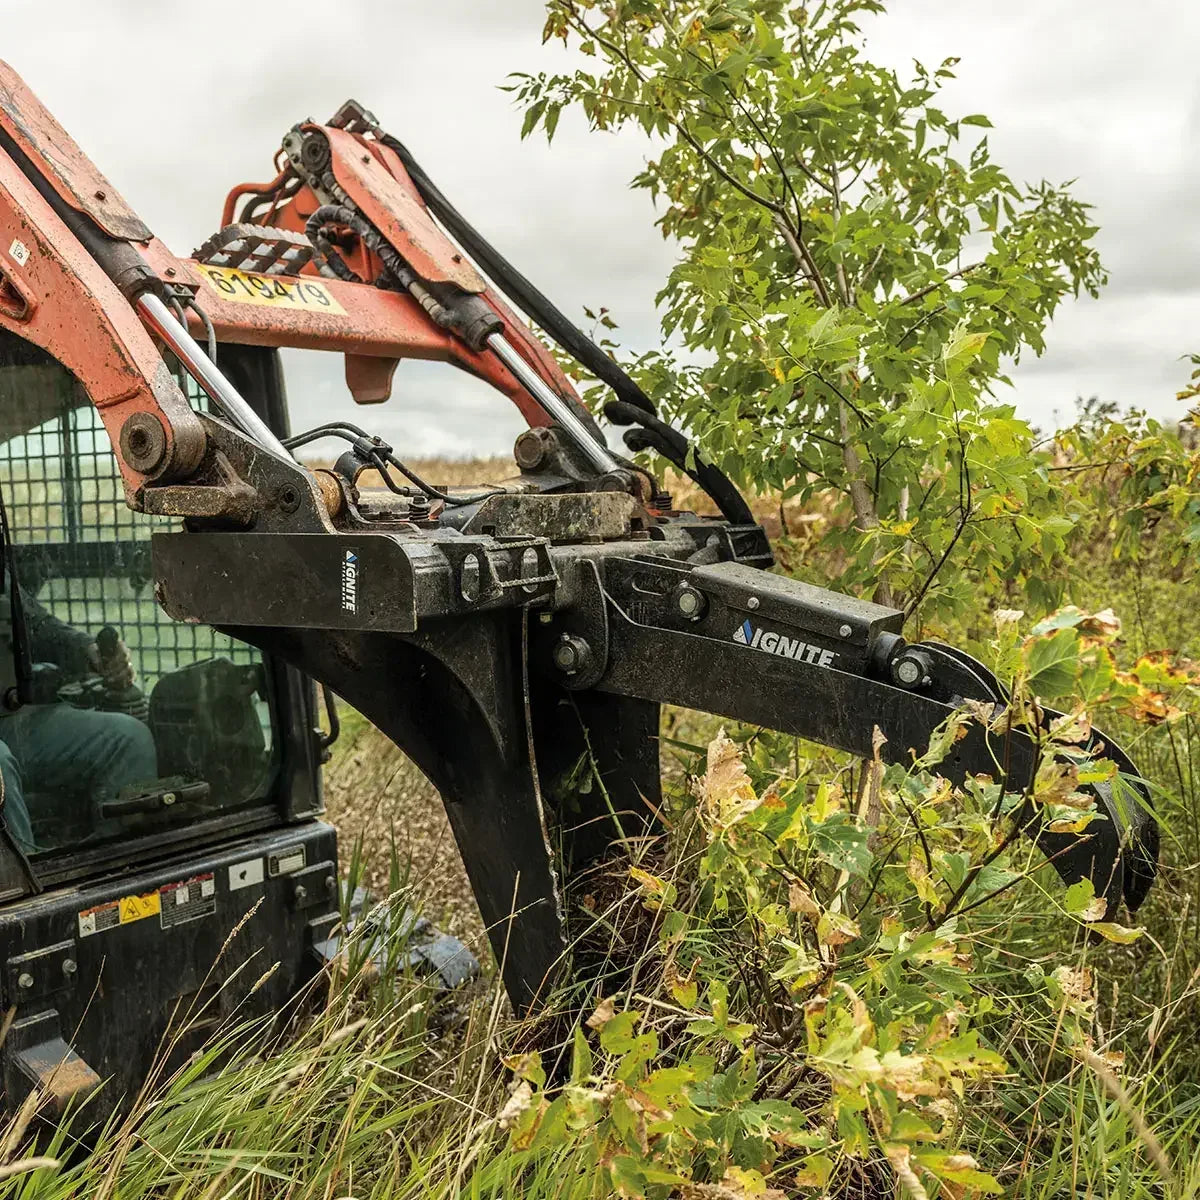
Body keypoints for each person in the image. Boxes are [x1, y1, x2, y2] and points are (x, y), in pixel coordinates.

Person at [0, 590, 157, 851]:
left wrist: (89, 652)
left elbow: (31, 622)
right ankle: (28, 888)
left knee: (129, 739)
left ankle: (121, 874)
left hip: (12, 715)